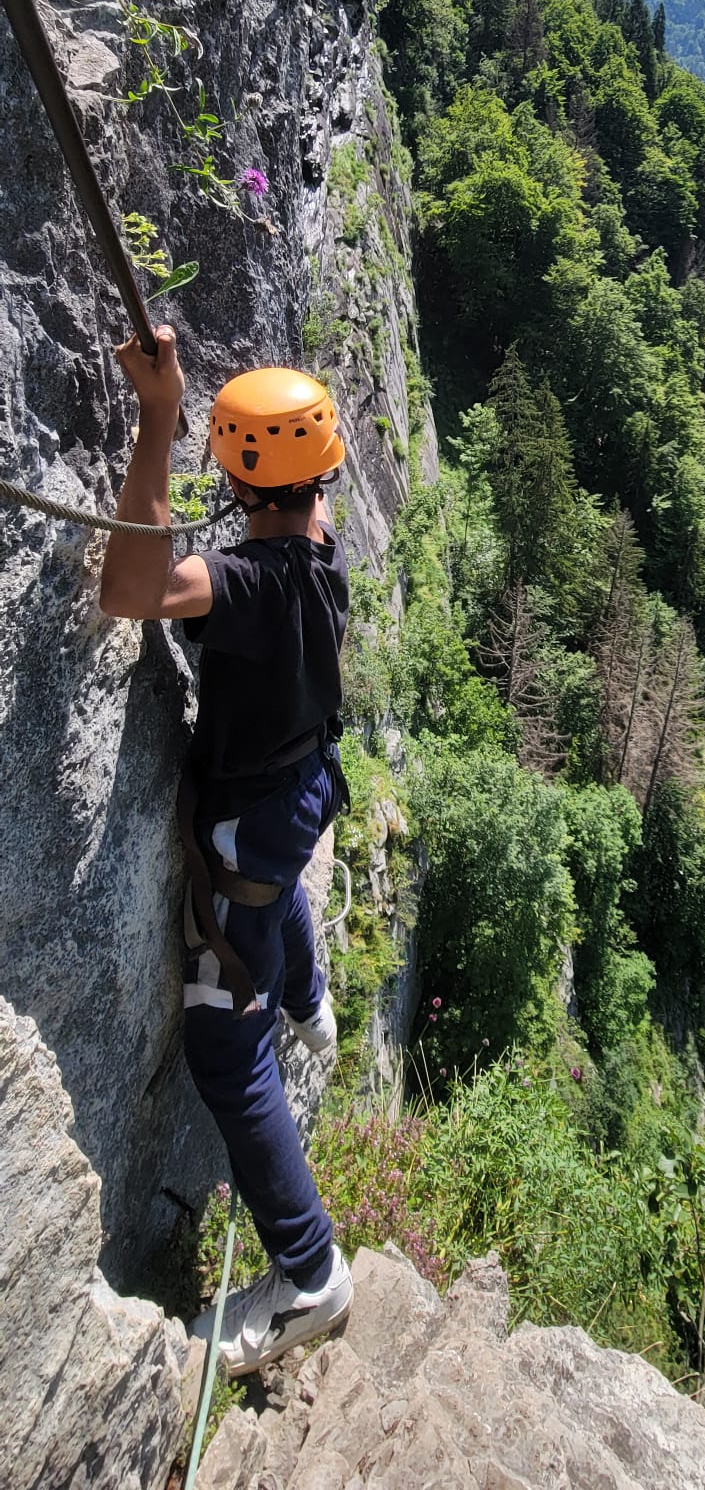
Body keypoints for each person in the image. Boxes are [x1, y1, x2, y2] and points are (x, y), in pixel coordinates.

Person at [99, 325, 354, 1373]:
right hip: (300, 791)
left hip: (253, 820)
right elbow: (297, 507)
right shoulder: (323, 557)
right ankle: (307, 1005)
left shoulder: (241, 588)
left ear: (242, 478)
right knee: (273, 884)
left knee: (221, 1044)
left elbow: (131, 591)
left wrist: (160, 416)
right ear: (317, 482)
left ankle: (309, 1274)